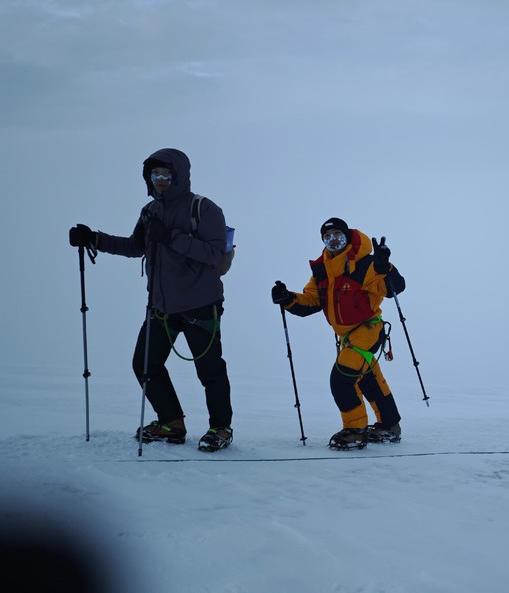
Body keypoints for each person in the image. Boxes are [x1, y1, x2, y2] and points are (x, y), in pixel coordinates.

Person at [68, 148, 234, 452]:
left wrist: (171, 237)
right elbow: (135, 247)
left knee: (210, 371)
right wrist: (94, 238)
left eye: (165, 174)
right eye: (154, 174)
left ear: (178, 175)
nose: (159, 180)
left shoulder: (205, 209)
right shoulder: (150, 211)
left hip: (200, 305)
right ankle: (172, 423)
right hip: (162, 307)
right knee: (144, 364)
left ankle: (220, 428)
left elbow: (214, 254)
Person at [272, 217, 405, 450]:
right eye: (328, 237)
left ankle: (355, 431)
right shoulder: (322, 270)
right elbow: (311, 302)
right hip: (347, 337)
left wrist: (387, 268)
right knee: (368, 377)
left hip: (368, 329)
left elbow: (394, 289)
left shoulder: (364, 263)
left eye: (338, 236)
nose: (333, 241)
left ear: (347, 237)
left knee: (342, 378)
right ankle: (389, 426)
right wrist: (288, 299)